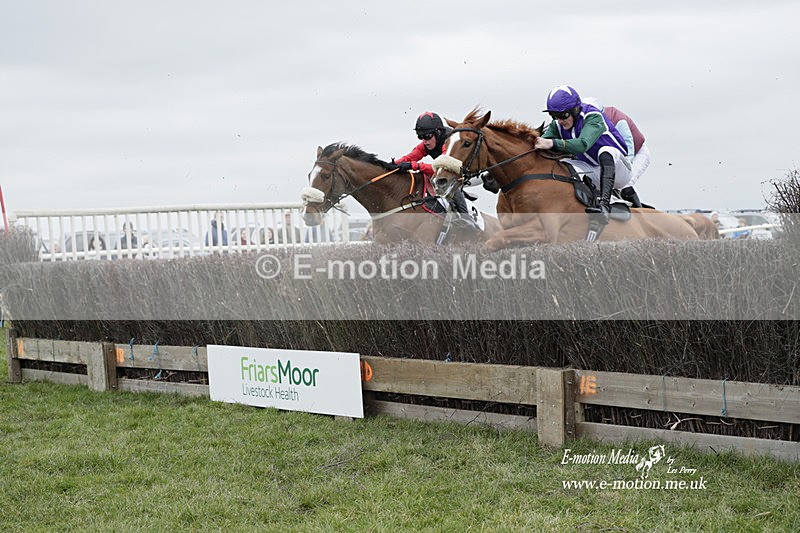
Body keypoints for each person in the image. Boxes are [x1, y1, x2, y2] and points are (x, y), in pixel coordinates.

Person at [533, 85, 633, 223]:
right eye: (554, 116)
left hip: (620, 170)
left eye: (563, 115)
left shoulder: (592, 117)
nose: (560, 121)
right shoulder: (557, 125)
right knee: (562, 165)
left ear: (575, 109)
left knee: (605, 151)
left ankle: (604, 206)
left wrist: (553, 143)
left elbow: (582, 144)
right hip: (592, 171)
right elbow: (540, 143)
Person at [391, 111, 478, 229]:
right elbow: (410, 157)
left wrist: (416, 166)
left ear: (438, 132)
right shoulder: (427, 143)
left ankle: (466, 218)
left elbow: (441, 169)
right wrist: (390, 166)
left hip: (467, 174)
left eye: (427, 136)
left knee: (450, 184)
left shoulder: (448, 142)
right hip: (449, 172)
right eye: (421, 137)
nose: (425, 141)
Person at [583, 97, 651, 207]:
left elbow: (628, 147)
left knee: (625, 185)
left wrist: (625, 167)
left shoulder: (616, 119)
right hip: (612, 155)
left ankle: (641, 215)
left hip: (637, 153)